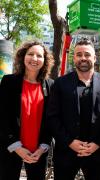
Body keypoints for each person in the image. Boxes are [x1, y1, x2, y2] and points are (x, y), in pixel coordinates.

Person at [47, 38, 100, 180]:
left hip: (97, 154)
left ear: (94, 57)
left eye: (87, 54)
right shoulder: (60, 83)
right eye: (79, 55)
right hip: (66, 152)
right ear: (74, 58)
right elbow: (52, 117)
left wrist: (97, 144)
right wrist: (70, 142)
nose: (83, 58)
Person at [0, 40, 54, 180]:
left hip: (38, 151)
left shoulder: (50, 85)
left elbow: (51, 120)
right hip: (11, 148)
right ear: (23, 57)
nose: (35, 59)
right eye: (31, 54)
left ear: (45, 60)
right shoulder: (9, 82)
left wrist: (43, 147)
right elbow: (2, 117)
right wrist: (17, 147)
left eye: (39, 55)